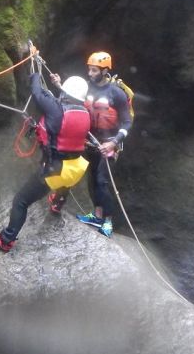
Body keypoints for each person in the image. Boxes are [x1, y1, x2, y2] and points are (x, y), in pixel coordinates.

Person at [0, 61, 91, 253]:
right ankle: (57, 204)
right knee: (63, 184)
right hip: (75, 168)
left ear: (65, 93)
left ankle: (5, 241)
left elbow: (37, 92)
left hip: (54, 170)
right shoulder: (85, 113)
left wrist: (34, 75)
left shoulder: (55, 109)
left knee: (21, 201)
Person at [48, 51, 133, 237]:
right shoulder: (86, 88)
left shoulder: (116, 94)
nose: (90, 73)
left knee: (102, 181)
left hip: (109, 143)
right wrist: (58, 85)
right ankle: (97, 215)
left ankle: (108, 222)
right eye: (89, 69)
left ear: (104, 71)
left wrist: (114, 142)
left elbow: (127, 121)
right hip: (89, 142)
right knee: (92, 180)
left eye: (94, 70)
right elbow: (71, 99)